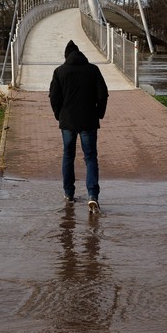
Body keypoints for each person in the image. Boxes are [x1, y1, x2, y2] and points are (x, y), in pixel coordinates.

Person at [49, 39, 109, 213]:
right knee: (90, 158)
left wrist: (58, 115)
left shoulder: (59, 72)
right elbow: (103, 94)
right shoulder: (93, 70)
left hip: (67, 121)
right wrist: (99, 113)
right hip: (88, 121)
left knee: (68, 156)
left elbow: (54, 97)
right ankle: (92, 196)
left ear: (66, 56)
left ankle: (69, 194)